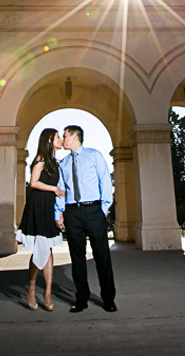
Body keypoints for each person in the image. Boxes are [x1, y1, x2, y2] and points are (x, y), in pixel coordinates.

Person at [55, 124, 116, 313]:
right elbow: (61, 191)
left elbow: (105, 180)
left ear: (74, 137)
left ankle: (108, 299)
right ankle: (81, 299)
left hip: (94, 211)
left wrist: (104, 208)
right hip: (73, 213)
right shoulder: (63, 164)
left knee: (102, 256)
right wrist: (59, 213)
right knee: (77, 258)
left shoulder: (94, 156)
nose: (63, 140)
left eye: (65, 136)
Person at [15, 128, 65, 311]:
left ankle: (48, 293)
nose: (60, 140)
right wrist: (54, 190)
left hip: (49, 206)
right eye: (58, 137)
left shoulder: (55, 162)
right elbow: (33, 183)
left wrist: (59, 213)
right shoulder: (40, 159)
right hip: (38, 206)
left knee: (47, 248)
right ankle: (31, 287)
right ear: (49, 140)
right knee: (40, 248)